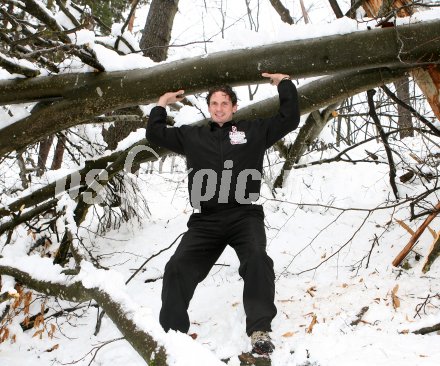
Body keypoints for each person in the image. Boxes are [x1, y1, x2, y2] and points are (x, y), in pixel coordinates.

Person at [146, 72, 300, 355]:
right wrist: (161, 104)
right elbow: (155, 133)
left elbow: (289, 118)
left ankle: (259, 330)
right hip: (206, 220)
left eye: (224, 103)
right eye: (214, 103)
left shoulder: (253, 132)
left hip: (244, 215)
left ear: (234, 107)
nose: (219, 108)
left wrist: (284, 85)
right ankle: (172, 335)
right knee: (177, 267)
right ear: (209, 107)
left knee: (257, 260)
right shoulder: (192, 136)